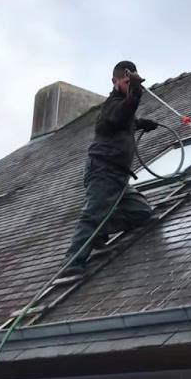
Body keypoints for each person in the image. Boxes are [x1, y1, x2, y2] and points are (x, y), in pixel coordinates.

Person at [56, 60, 158, 283]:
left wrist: (142, 124)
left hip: (119, 178)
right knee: (93, 214)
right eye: (126, 82)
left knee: (142, 213)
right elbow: (118, 116)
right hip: (103, 171)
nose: (129, 86)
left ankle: (99, 235)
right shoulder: (111, 106)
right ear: (115, 81)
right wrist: (135, 96)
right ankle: (72, 262)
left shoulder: (123, 108)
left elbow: (126, 119)